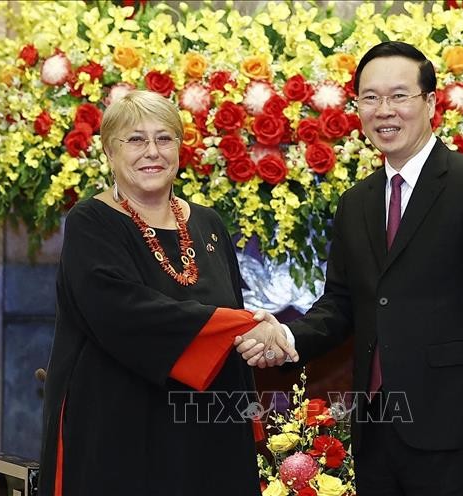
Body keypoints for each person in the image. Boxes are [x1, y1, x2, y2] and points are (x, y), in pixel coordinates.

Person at [237, 42, 463, 495]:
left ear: (430, 102)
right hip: (375, 428)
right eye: (370, 98)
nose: (384, 110)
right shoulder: (358, 202)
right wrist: (287, 336)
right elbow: (341, 304)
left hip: (456, 427)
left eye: (399, 96)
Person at [39, 90, 297, 496]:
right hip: (121, 429)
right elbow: (124, 313)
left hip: (208, 425)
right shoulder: (91, 221)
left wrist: (255, 335)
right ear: (109, 151)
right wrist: (245, 326)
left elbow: (234, 316)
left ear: (180, 148)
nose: (152, 152)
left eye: (164, 138)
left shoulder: (209, 223)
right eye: (136, 139)